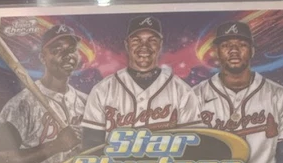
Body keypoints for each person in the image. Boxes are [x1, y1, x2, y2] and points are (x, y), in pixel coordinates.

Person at [194, 21, 283, 163]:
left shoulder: (280, 95)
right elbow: (187, 155)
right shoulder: (195, 97)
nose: (234, 50)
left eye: (242, 44)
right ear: (216, 52)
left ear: (252, 51)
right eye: (226, 45)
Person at [82, 16, 202, 149]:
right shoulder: (103, 90)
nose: (144, 47)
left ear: (160, 44)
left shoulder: (182, 91)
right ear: (127, 44)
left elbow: (193, 145)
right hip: (115, 162)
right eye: (136, 40)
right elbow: (91, 146)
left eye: (152, 40)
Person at [0, 24, 87, 163]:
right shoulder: (21, 104)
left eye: (71, 50)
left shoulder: (86, 101)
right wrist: (55, 146)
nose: (67, 56)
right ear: (43, 57)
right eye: (57, 50)